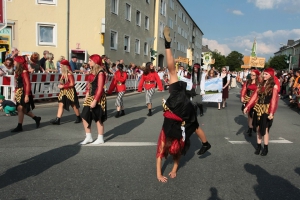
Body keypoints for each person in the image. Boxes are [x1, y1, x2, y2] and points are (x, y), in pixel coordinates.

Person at [156, 26, 211, 183]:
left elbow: (171, 67)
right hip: (185, 103)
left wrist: (167, 47)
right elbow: (172, 68)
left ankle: (201, 144)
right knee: (194, 124)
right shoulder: (179, 85)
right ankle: (206, 144)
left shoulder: (175, 87)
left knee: (188, 129)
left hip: (178, 104)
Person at [244, 68, 278, 156]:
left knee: (265, 129)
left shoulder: (274, 86)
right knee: (258, 128)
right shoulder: (260, 84)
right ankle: (258, 146)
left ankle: (266, 148)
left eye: (266, 74)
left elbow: (273, 100)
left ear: (271, 75)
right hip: (258, 108)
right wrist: (247, 107)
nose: (264, 75)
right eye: (264, 74)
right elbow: (254, 96)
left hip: (266, 109)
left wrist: (271, 113)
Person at [80, 54, 107, 145]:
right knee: (84, 115)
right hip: (91, 96)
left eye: (90, 60)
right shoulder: (92, 72)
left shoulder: (100, 73)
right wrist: (87, 94)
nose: (88, 62)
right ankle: (89, 137)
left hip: (98, 97)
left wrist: (95, 100)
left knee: (98, 117)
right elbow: (89, 84)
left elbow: (100, 88)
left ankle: (100, 137)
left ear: (95, 62)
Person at [11, 56, 41, 132]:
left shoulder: (24, 72)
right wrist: (15, 93)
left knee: (20, 108)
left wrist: (27, 95)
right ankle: (36, 118)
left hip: (24, 91)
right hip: (19, 91)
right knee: (22, 109)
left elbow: (27, 84)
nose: (13, 62)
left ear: (18, 62)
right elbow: (17, 84)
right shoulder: (18, 72)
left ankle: (19, 126)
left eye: (15, 61)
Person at [50, 60, 81, 125]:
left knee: (73, 105)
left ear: (64, 66)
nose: (60, 67)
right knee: (61, 104)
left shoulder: (69, 74)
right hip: (64, 91)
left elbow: (72, 83)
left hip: (70, 91)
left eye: (61, 66)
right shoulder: (64, 74)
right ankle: (58, 119)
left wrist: (63, 86)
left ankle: (79, 117)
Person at [240, 70, 260, 136]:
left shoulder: (259, 83)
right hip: (248, 99)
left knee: (254, 115)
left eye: (253, 75)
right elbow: (244, 89)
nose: (251, 76)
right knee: (249, 114)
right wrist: (242, 96)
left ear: (256, 76)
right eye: (251, 74)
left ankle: (254, 125)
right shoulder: (248, 82)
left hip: (255, 100)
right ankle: (250, 128)